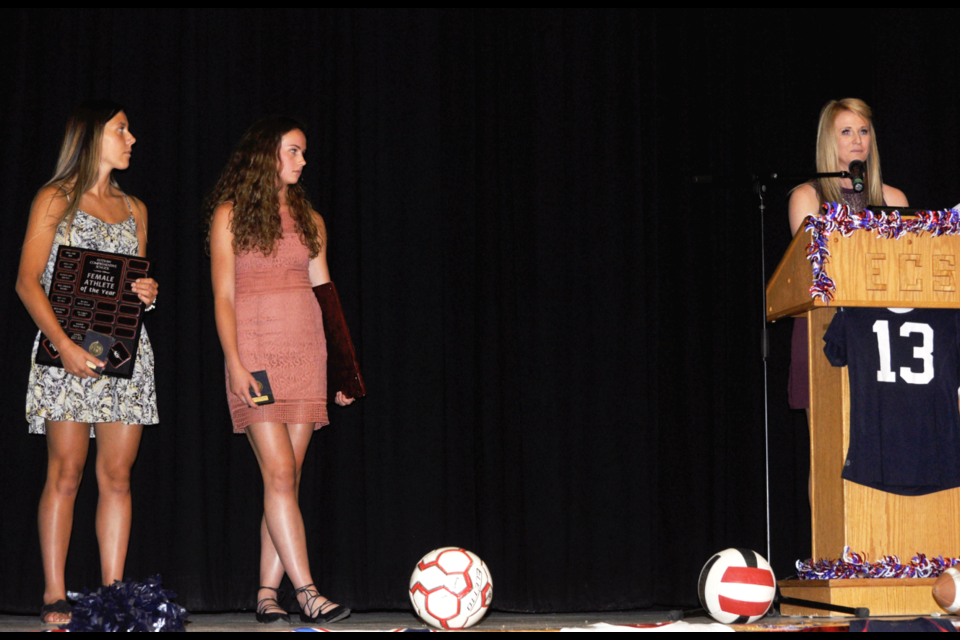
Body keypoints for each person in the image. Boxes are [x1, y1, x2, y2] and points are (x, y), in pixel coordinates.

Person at [16, 100, 159, 624]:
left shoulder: (136, 208)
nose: (131, 138)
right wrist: (65, 347)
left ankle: (113, 593)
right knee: (66, 471)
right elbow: (27, 281)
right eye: (122, 129)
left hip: (123, 355)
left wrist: (148, 292)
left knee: (117, 476)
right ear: (91, 136)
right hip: (64, 351)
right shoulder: (54, 199)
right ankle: (55, 591)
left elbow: (136, 284)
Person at [206, 116, 353, 625]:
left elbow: (326, 295)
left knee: (284, 481)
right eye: (294, 151)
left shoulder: (311, 219)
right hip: (257, 356)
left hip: (306, 352)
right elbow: (223, 296)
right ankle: (308, 592)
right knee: (280, 472)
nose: (303, 160)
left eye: (304, 152)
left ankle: (267, 594)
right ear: (267, 154)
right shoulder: (229, 216)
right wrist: (235, 361)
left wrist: (344, 370)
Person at [786, 98, 908, 496]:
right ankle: (827, 553)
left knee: (885, 448)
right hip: (825, 332)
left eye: (864, 131)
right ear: (829, 140)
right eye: (846, 131)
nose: (857, 140)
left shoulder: (894, 200)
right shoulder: (806, 197)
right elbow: (815, 269)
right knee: (829, 451)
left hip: (882, 338)